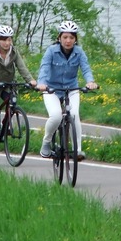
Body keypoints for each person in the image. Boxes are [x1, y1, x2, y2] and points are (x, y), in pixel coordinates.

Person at [36, 21, 98, 160]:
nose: (68, 41)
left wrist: (90, 82)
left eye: (71, 37)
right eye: (65, 37)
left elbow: (86, 68)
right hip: (52, 89)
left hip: (71, 88)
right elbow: (44, 68)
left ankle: (78, 150)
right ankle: (46, 142)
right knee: (56, 115)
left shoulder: (79, 52)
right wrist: (42, 83)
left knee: (74, 114)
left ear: (75, 39)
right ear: (59, 38)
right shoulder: (51, 51)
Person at [0, 25, 37, 151]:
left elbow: (22, 67)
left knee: (12, 101)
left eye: (9, 39)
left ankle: (6, 127)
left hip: (8, 84)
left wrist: (30, 80)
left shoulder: (14, 52)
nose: (7, 43)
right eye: (4, 40)